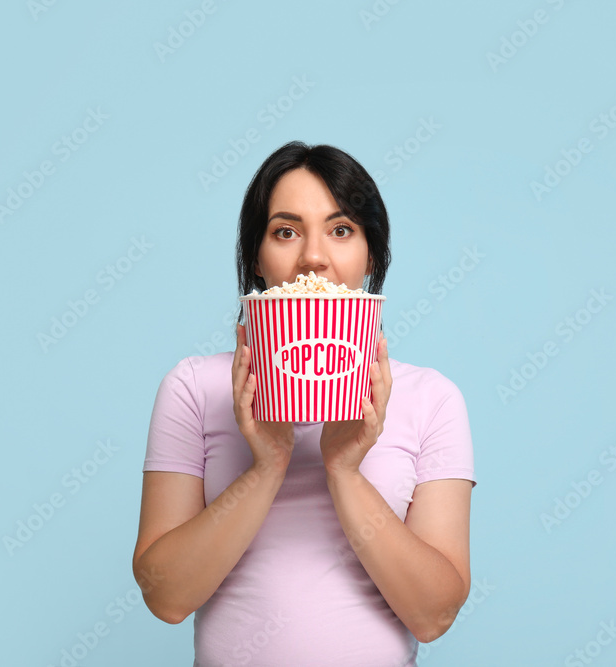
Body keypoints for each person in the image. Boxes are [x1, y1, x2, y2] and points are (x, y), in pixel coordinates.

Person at [132, 141, 476, 666]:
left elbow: (434, 615)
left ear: (371, 256)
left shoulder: (432, 399)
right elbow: (166, 597)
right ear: (255, 259)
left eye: (341, 230)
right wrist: (266, 465)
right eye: (285, 231)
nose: (313, 257)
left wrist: (345, 471)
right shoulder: (195, 388)